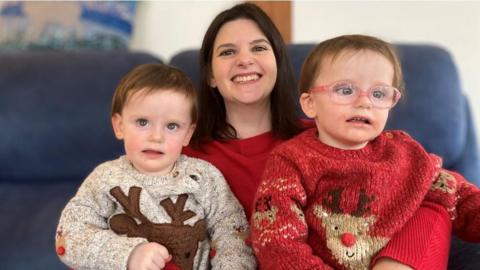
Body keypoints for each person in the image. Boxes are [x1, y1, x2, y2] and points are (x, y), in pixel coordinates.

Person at [183, 3, 457, 270]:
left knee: (436, 199)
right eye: (228, 52)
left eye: (259, 48)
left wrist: (397, 260)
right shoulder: (183, 155)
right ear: (210, 75)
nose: (244, 60)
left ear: (277, 62)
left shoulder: (329, 135)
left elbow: (426, 183)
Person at [250, 34, 480, 270]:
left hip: (399, 262)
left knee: (436, 207)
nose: (364, 102)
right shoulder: (292, 160)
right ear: (310, 104)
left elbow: (457, 194)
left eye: (378, 93)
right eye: (345, 90)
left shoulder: (404, 152)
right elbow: (276, 242)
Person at [55, 63, 256, 270]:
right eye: (143, 122)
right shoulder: (105, 178)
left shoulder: (203, 176)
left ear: (188, 134)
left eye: (172, 126)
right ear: (119, 125)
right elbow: (69, 235)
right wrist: (129, 254)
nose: (156, 137)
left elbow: (232, 231)